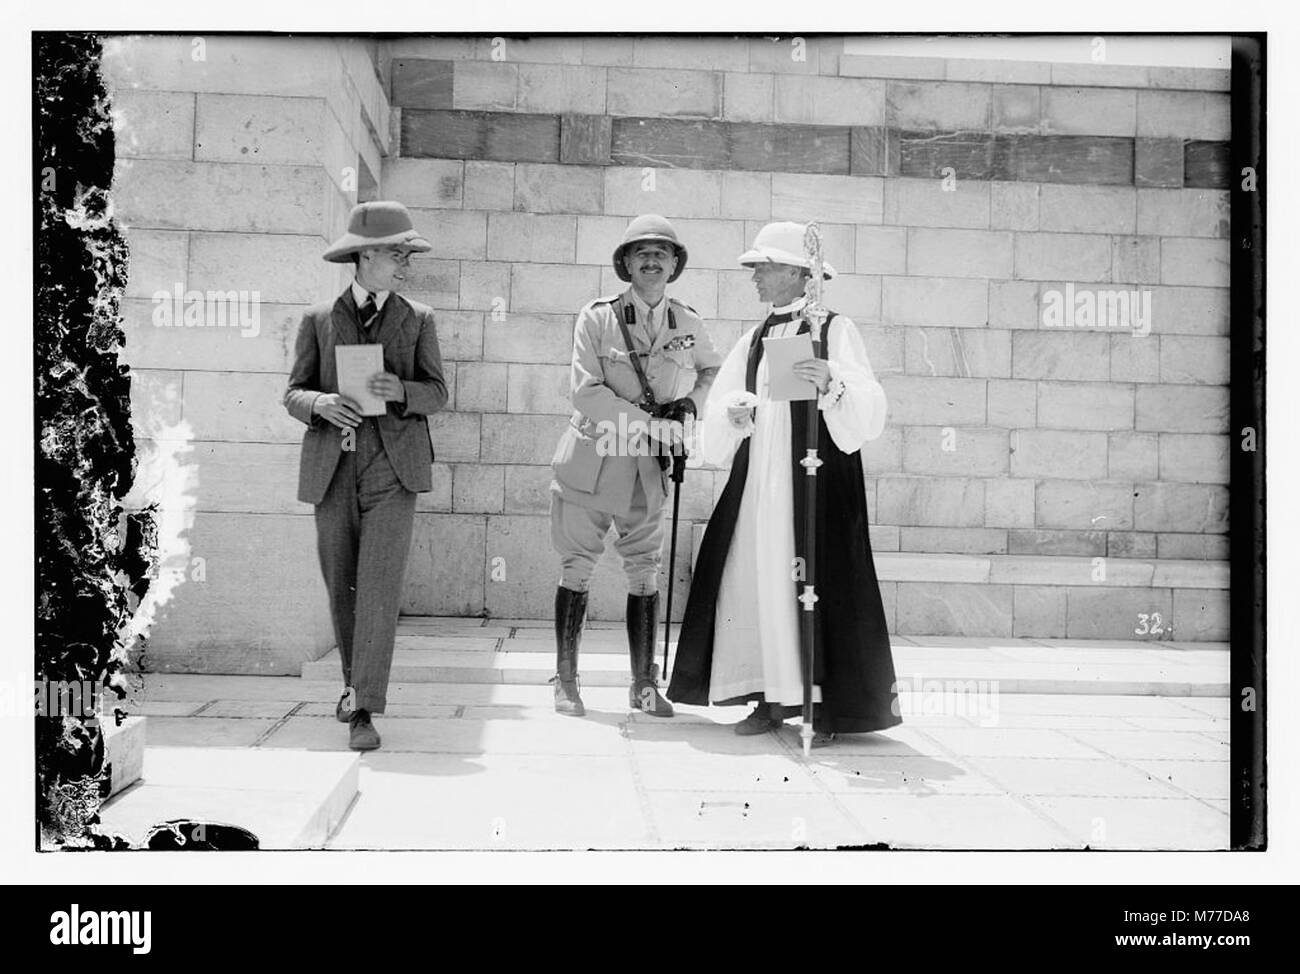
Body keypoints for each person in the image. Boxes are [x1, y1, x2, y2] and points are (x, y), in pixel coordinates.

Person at [666, 221, 901, 746]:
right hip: (761, 482)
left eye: (765, 267)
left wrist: (833, 384)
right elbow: (724, 402)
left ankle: (826, 703)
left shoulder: (833, 329)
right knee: (759, 580)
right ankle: (767, 697)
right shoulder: (754, 338)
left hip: (815, 481)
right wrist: (734, 411)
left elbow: (869, 403)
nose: (755, 277)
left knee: (817, 582)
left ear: (798, 275)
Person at [284, 201, 448, 751]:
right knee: (343, 587)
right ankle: (353, 686)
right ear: (365, 255)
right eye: (398, 253)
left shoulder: (419, 318)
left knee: (377, 589)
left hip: (393, 472)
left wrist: (401, 390)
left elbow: (438, 393)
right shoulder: (318, 319)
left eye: (407, 255)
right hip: (333, 470)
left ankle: (364, 710)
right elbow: (292, 392)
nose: (406, 264)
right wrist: (321, 403)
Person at [549, 214, 722, 718]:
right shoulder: (598, 317)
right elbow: (586, 391)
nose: (651, 261)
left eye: (662, 253)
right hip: (592, 461)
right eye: (640, 253)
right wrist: (651, 422)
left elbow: (713, 369)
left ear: (675, 265)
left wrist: (692, 403)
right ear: (625, 263)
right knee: (577, 567)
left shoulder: (687, 322)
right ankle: (565, 680)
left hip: (648, 467)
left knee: (644, 571)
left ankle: (644, 685)